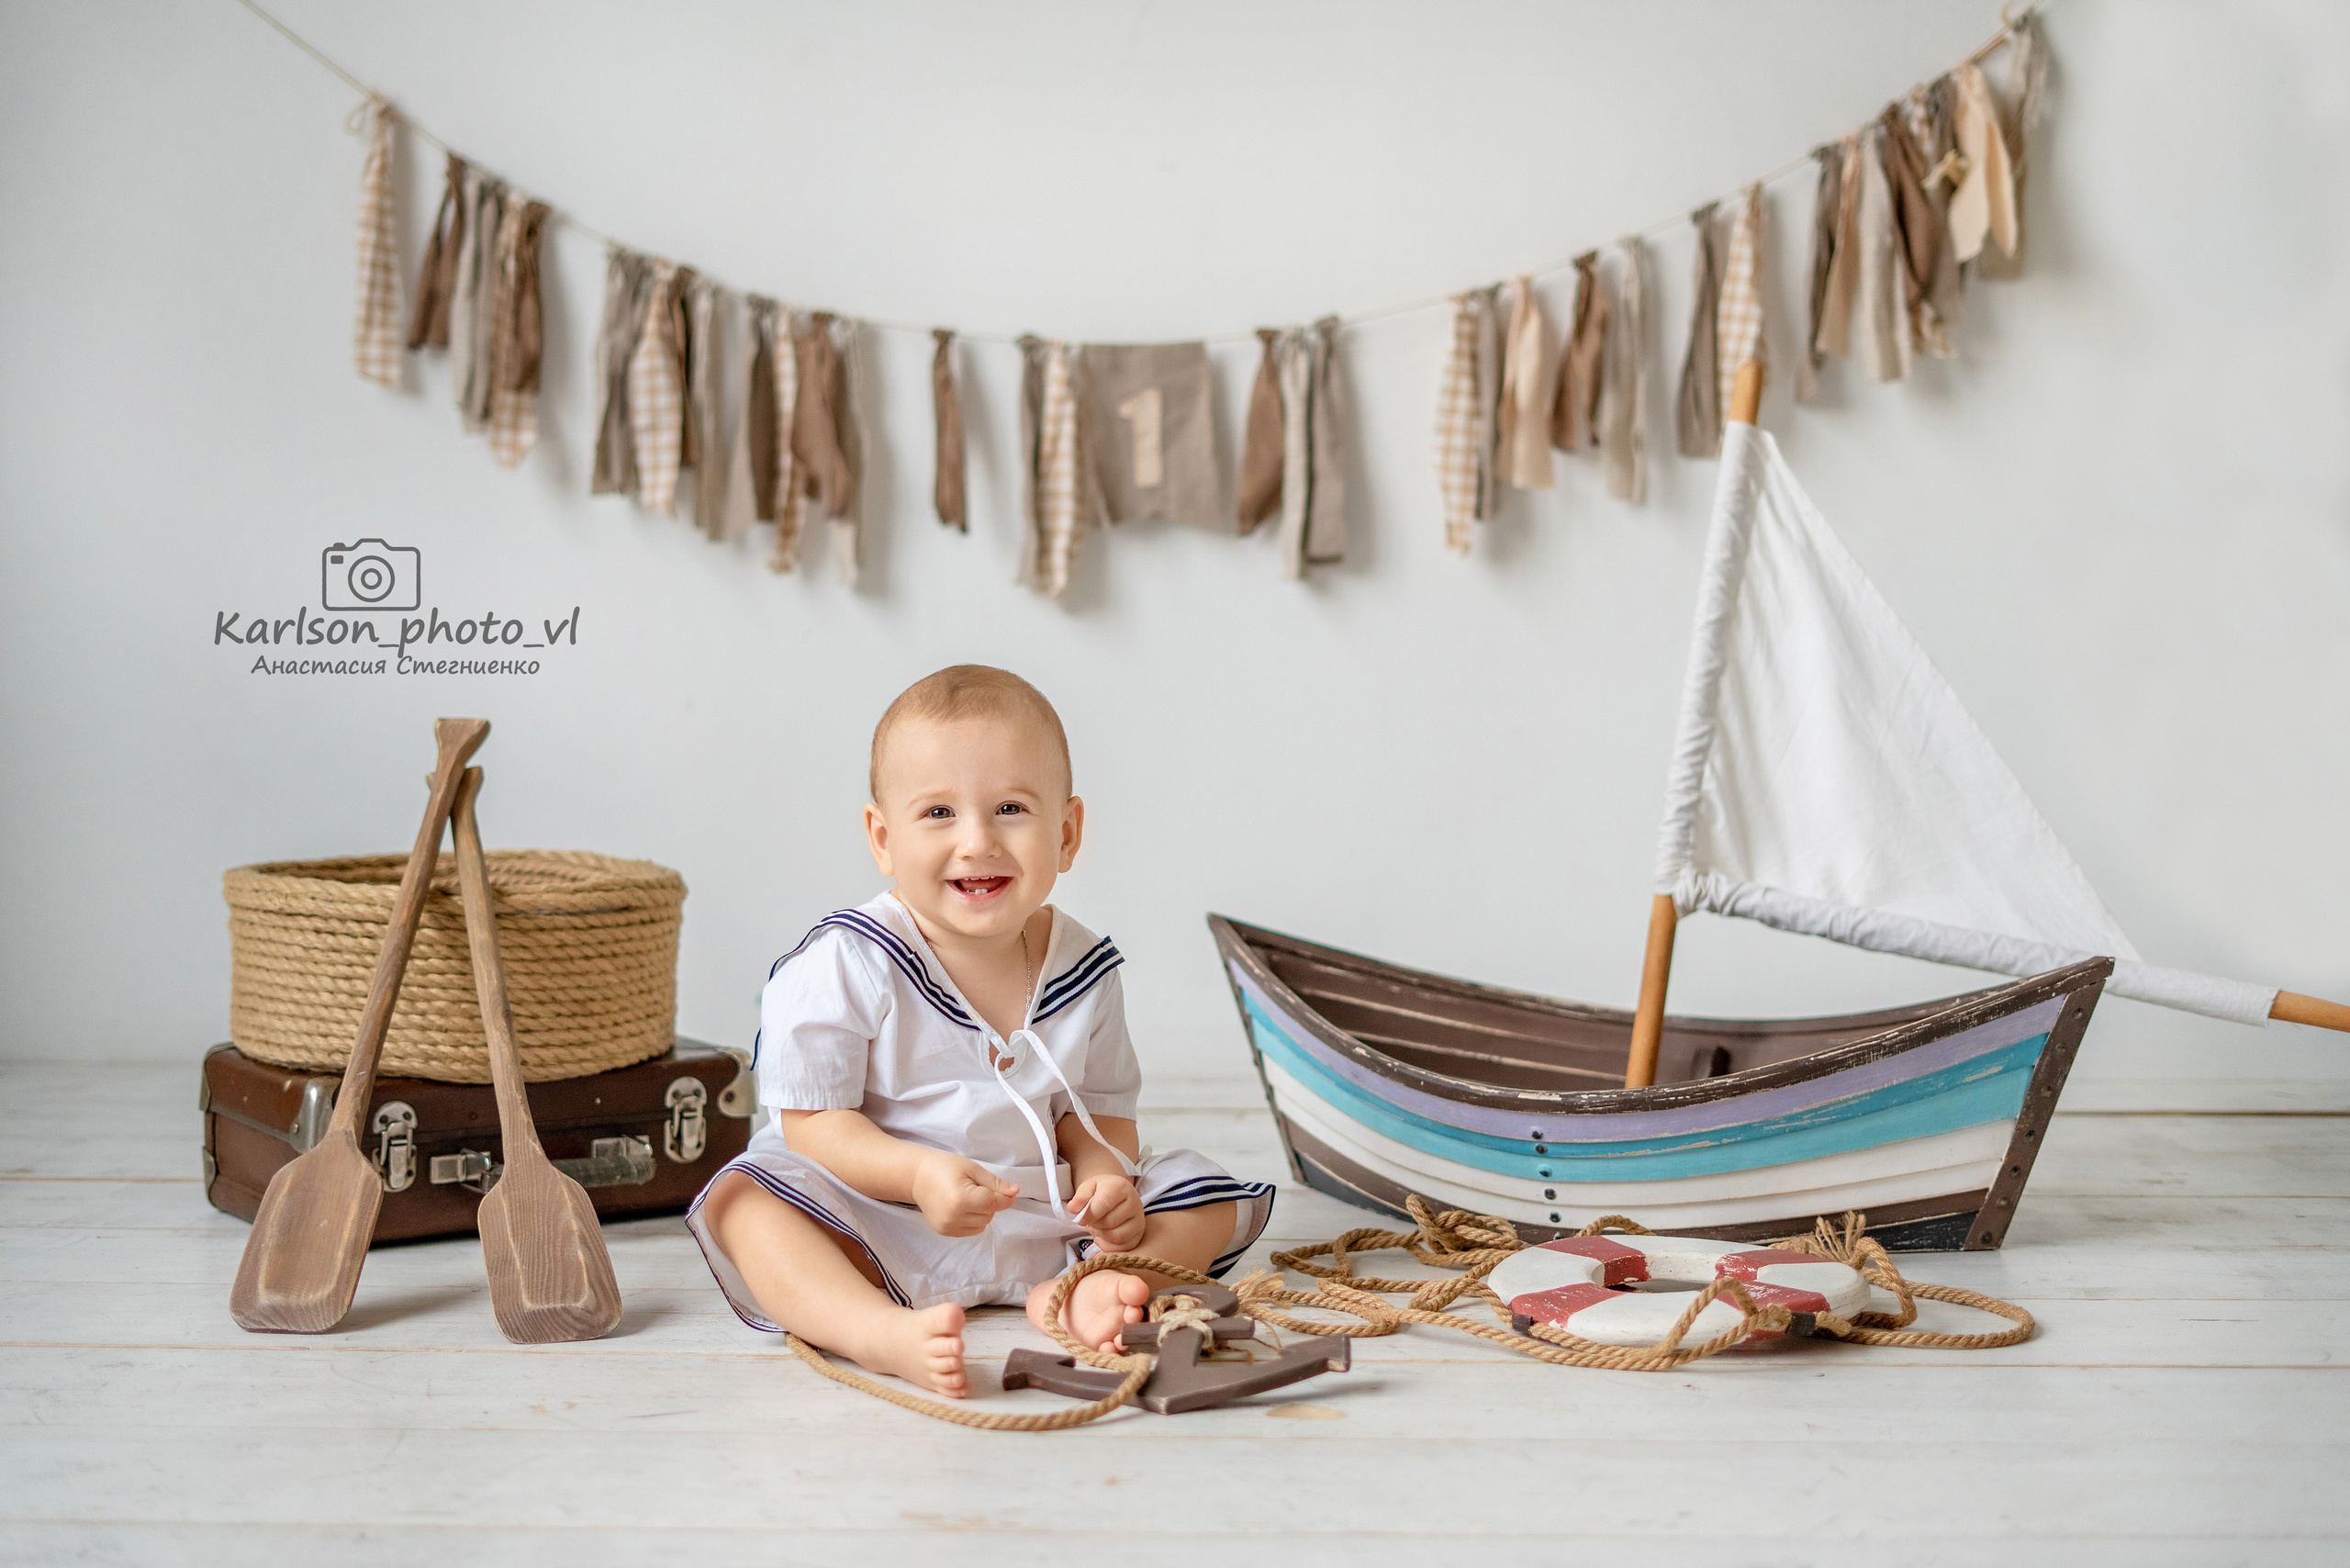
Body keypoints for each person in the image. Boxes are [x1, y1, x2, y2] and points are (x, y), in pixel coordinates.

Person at [688, 665, 1274, 1397]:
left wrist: (1101, 1178)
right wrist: (916, 1173)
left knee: (1203, 1193)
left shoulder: (1084, 969)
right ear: (882, 837)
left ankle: (1089, 1284)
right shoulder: (846, 962)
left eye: (1009, 809)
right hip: (880, 1214)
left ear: (1066, 834)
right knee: (747, 1203)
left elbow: (1097, 1119)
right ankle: (874, 1329)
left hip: (1043, 1218)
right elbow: (811, 1125)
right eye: (938, 813)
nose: (977, 841)